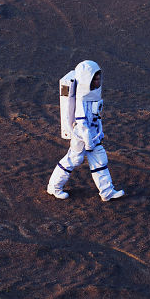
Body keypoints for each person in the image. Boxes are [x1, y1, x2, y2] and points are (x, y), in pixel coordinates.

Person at [47, 60, 125, 201]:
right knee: (73, 159)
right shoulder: (81, 101)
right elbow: (82, 123)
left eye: (98, 78)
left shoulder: (93, 97)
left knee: (100, 161)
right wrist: (88, 140)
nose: (97, 81)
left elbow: (97, 118)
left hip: (93, 135)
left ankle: (107, 192)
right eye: (94, 79)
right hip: (82, 137)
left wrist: (99, 132)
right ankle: (54, 186)